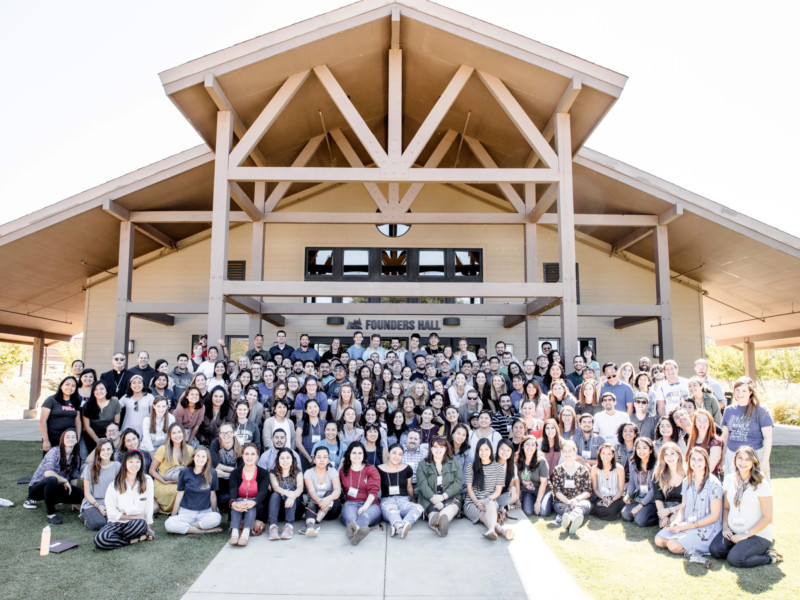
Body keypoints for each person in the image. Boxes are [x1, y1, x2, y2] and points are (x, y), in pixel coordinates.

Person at [710, 446, 782, 567]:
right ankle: (741, 547)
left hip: (757, 534)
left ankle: (770, 557)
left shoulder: (761, 483)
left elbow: (767, 517)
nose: (743, 462)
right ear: (735, 460)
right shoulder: (729, 479)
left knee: (735, 559)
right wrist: (726, 527)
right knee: (716, 550)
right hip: (733, 530)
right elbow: (726, 508)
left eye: (747, 459)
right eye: (740, 458)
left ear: (754, 462)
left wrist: (746, 534)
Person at [655, 447, 722, 557]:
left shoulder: (714, 484)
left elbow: (714, 516)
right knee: (659, 539)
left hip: (706, 527)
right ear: (689, 461)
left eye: (700, 460)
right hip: (687, 522)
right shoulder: (687, 481)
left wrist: (688, 526)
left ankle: (689, 544)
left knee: (673, 545)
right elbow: (683, 507)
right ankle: (683, 540)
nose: (696, 462)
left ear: (706, 462)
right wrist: (677, 521)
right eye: (693, 459)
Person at [94, 450, 155, 549]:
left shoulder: (147, 480)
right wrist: (135, 517)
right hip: (117, 522)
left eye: (137, 462)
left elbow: (149, 506)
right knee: (100, 540)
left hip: (136, 524)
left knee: (139, 524)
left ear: (141, 464)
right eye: (130, 462)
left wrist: (148, 528)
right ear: (125, 464)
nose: (134, 465)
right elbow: (112, 513)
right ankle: (135, 540)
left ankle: (118, 539)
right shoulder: (115, 484)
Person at [24, 429, 83, 523]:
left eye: (73, 437)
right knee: (52, 479)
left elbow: (74, 477)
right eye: (67, 437)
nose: (70, 439)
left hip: (56, 488)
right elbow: (48, 473)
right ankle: (51, 515)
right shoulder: (54, 452)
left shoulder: (75, 456)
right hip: (37, 490)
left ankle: (54, 501)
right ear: (62, 440)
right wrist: (64, 480)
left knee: (82, 494)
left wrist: (74, 499)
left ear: (76, 440)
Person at [721, 377, 773, 477]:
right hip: (732, 456)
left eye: (744, 391)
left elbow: (768, 437)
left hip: (755, 456)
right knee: (733, 489)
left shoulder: (761, 411)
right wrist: (723, 459)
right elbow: (725, 436)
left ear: (750, 392)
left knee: (757, 489)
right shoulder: (729, 410)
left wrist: (765, 460)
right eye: (737, 390)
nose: (740, 394)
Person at [164, 446, 222, 535]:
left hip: (205, 511)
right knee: (168, 523)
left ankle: (186, 528)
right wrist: (173, 515)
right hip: (187, 512)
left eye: (203, 457)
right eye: (198, 456)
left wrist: (214, 512)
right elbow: (180, 494)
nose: (200, 459)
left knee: (217, 518)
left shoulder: (212, 473)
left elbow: (212, 495)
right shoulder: (184, 472)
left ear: (207, 460)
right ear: (193, 458)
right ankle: (203, 531)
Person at [464, 439, 512, 540]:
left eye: (486, 449)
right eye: (481, 450)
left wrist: (486, 500)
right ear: (477, 452)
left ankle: (491, 530)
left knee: (491, 504)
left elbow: (498, 491)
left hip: (489, 500)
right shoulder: (471, 467)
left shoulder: (498, 468)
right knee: (484, 516)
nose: (484, 452)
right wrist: (477, 503)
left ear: (491, 450)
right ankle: (501, 530)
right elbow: (469, 489)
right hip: (472, 502)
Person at [417, 436, 463, 536]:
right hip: (429, 498)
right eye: (435, 447)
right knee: (432, 513)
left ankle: (441, 520)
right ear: (431, 449)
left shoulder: (454, 463)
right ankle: (437, 522)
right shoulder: (422, 464)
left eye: (442, 447)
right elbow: (422, 485)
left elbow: (458, 482)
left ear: (446, 449)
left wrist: (443, 496)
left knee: (452, 508)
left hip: (450, 496)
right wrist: (435, 499)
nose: (438, 450)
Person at [340, 442, 382, 545]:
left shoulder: (371, 469)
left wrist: (365, 506)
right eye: (354, 453)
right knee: (351, 519)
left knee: (365, 516)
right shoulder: (343, 470)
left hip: (371, 504)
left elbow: (373, 490)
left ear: (364, 455)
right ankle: (357, 533)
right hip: (351, 503)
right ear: (349, 454)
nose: (357, 456)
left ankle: (355, 531)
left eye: (360, 453)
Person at [378, 443, 423, 538]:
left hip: (403, 500)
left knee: (418, 508)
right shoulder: (379, 469)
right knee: (392, 511)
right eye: (394, 453)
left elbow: (409, 486)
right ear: (388, 454)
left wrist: (413, 500)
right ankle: (400, 526)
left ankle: (401, 525)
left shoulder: (407, 469)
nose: (396, 456)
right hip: (387, 501)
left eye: (400, 454)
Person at [229, 443, 270, 546]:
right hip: (238, 508)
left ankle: (245, 534)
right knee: (238, 501)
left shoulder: (264, 473)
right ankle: (234, 533)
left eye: (253, 454)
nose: (249, 457)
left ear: (257, 456)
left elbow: (263, 492)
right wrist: (233, 503)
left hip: (257, 507)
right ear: (242, 455)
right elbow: (233, 490)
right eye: (246, 454)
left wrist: (253, 502)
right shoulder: (235, 473)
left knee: (250, 504)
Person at [150, 422, 195, 514]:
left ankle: (188, 510)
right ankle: (179, 511)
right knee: (180, 492)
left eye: (179, 432)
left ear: (183, 433)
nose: (177, 435)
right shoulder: (163, 449)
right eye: (174, 433)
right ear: (170, 436)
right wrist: (163, 481)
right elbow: (151, 470)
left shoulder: (189, 449)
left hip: (180, 481)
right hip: (163, 483)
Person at [550, 439, 592, 535]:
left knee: (585, 505)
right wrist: (568, 502)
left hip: (579, 501)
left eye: (570, 451)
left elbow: (587, 491)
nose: (567, 453)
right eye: (565, 451)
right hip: (563, 502)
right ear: (562, 452)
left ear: (575, 451)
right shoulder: (558, 469)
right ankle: (573, 520)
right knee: (560, 506)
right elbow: (556, 491)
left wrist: (576, 500)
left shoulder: (583, 469)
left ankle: (569, 519)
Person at [79, 438, 121, 531]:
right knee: (99, 524)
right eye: (103, 449)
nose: (106, 452)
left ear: (112, 450)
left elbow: (120, 489)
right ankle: (84, 517)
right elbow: (87, 493)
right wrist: (99, 506)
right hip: (92, 503)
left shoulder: (117, 466)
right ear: (98, 451)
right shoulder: (90, 467)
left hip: (111, 502)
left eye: (108, 449)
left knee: (115, 522)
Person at [301, 446, 342, 536]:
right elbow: (311, 492)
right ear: (314, 460)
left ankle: (315, 523)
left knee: (330, 492)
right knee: (311, 502)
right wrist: (320, 502)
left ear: (328, 460)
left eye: (325, 457)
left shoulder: (333, 471)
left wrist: (327, 500)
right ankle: (310, 526)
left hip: (332, 510)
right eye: (319, 457)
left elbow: (337, 491)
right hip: (315, 506)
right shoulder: (308, 472)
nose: (322, 460)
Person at [267, 448, 304, 540]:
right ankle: (273, 526)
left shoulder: (298, 472)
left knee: (294, 497)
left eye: (288, 458)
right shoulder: (273, 473)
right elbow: (276, 488)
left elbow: (300, 488)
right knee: (275, 494)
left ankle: (289, 526)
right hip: (278, 509)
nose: (285, 461)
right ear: (278, 460)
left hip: (295, 509)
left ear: (292, 459)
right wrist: (289, 493)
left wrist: (292, 496)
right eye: (282, 458)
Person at [621, 437, 658, 527]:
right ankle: (641, 512)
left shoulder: (656, 465)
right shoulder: (633, 463)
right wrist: (628, 495)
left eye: (645, 448)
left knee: (640, 520)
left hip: (652, 501)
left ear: (650, 450)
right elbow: (632, 482)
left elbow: (654, 490)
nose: (641, 451)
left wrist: (640, 506)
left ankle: (656, 516)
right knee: (625, 515)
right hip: (639, 497)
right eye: (638, 448)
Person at [39, 376, 81, 454]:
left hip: (70, 440)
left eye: (73, 386)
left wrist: (77, 439)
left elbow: (78, 422)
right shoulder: (51, 400)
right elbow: (42, 421)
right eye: (67, 384)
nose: (70, 387)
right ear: (61, 386)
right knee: (50, 464)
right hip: (53, 439)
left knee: (68, 463)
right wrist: (46, 440)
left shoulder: (75, 401)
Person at [81, 381, 121, 457]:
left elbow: (116, 422)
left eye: (102, 389)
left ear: (106, 390)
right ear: (93, 392)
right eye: (96, 389)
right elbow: (87, 426)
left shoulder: (114, 402)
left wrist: (108, 440)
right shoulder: (87, 405)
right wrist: (99, 442)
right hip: (92, 437)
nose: (99, 391)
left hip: (110, 436)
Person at [516, 435, 552, 517]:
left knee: (543, 512)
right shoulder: (517, 461)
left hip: (544, 490)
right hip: (528, 491)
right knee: (528, 512)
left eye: (533, 445)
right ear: (522, 446)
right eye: (527, 444)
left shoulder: (541, 461)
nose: (530, 447)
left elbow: (544, 483)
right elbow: (517, 482)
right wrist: (518, 499)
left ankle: (548, 501)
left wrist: (538, 501)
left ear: (536, 447)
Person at [653, 442, 686, 530]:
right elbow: (658, 498)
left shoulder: (687, 475)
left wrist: (670, 511)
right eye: (666, 454)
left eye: (672, 454)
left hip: (681, 507)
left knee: (672, 522)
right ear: (663, 458)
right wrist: (663, 516)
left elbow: (686, 502)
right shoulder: (658, 474)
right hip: (664, 508)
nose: (669, 457)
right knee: (665, 526)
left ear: (678, 455)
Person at [210, 423, 242, 509]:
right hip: (219, 480)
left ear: (234, 433)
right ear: (219, 434)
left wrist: (226, 473)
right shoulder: (216, 444)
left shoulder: (239, 448)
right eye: (223, 433)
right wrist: (232, 470)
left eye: (228, 432)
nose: (226, 435)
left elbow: (241, 470)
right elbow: (216, 465)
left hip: (233, 481)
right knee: (213, 472)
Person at [590, 443, 625, 520]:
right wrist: (603, 498)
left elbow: (621, 490)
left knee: (610, 510)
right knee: (599, 508)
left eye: (609, 454)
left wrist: (611, 500)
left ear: (613, 455)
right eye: (603, 453)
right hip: (601, 497)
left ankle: (616, 512)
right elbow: (595, 488)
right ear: (599, 454)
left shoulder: (619, 468)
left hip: (615, 497)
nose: (606, 456)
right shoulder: (594, 469)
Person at [687, 409, 723, 476]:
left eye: (705, 421)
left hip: (708, 478)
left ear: (710, 423)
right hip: (693, 477)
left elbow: (710, 467)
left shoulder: (715, 441)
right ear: (694, 422)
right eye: (699, 420)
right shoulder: (692, 438)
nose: (702, 423)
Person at [296, 399, 326, 470]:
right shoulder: (301, 424)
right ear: (306, 411)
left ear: (319, 408)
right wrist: (309, 458)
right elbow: (298, 443)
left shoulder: (325, 423)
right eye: (310, 407)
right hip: (305, 458)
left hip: (321, 459)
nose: (313, 409)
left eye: (315, 406)